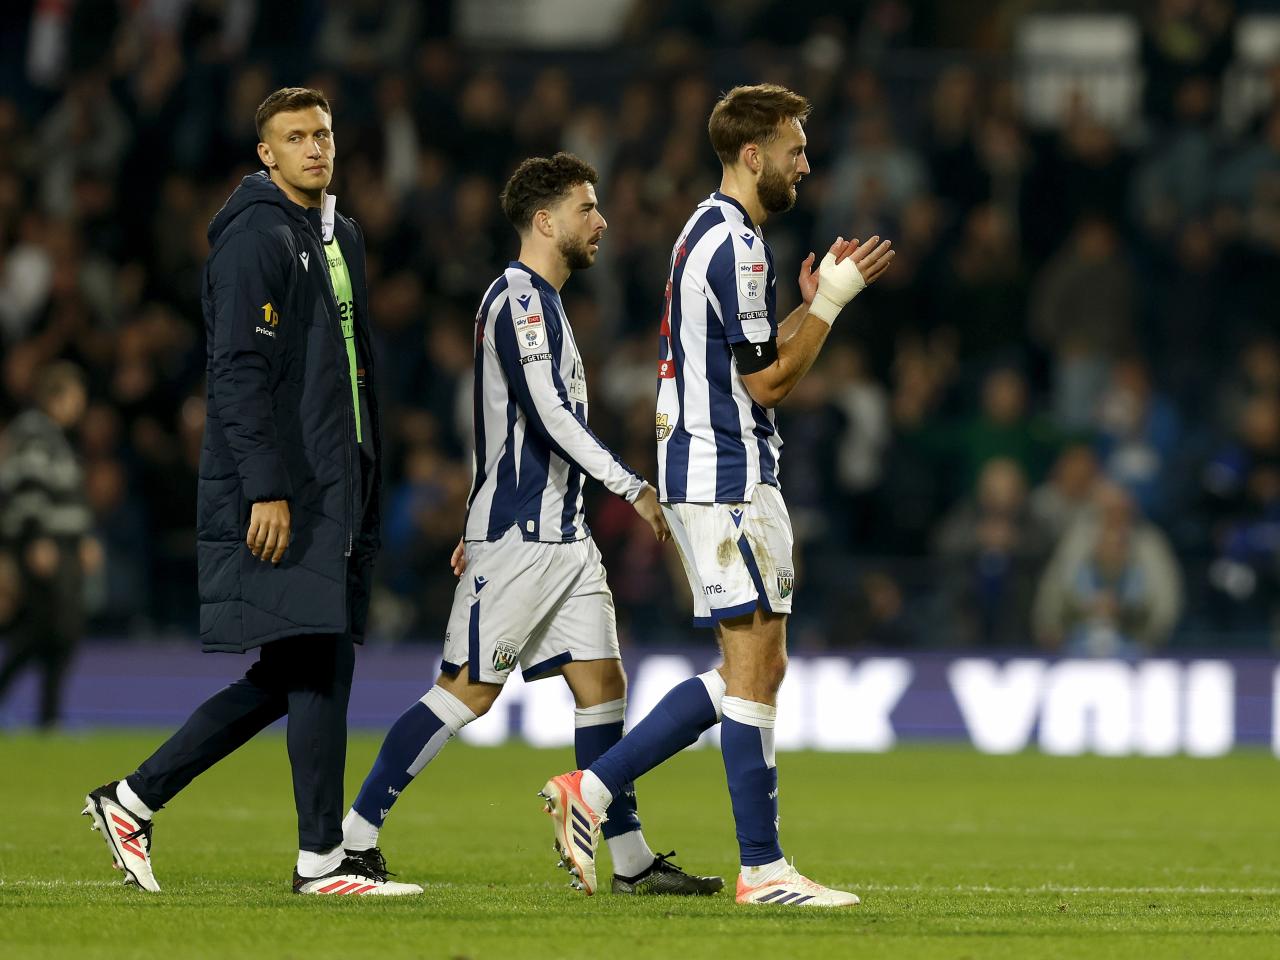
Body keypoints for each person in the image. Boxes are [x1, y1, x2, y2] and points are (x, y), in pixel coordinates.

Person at [539, 84, 894, 907]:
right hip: (725, 471)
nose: (806, 163)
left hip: (709, 467)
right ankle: (760, 868)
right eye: (795, 149)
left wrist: (805, 304)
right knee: (754, 666)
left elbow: (753, 359)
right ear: (752, 154)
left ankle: (593, 794)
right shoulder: (736, 245)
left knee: (751, 667)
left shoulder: (710, 229)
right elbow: (767, 382)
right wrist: (834, 303)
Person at [340, 152, 722, 898]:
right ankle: (354, 842)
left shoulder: (544, 303)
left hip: (562, 537)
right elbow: (546, 418)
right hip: (519, 540)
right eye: (588, 208)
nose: (602, 221)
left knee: (602, 683)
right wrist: (631, 486)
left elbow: (504, 426)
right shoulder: (517, 299)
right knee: (466, 692)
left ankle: (633, 861)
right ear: (545, 221)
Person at [81, 87, 419, 896]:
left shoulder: (336, 238)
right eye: (295, 137)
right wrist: (267, 489)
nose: (315, 147)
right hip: (290, 489)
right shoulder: (256, 239)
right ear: (265, 153)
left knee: (304, 666)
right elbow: (236, 376)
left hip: (337, 483)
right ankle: (316, 861)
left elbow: (348, 373)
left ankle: (135, 800)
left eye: (324, 134)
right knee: (314, 664)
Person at [0, 362, 96, 728]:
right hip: (46, 546)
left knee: (59, 631)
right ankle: (48, 716)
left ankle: (50, 717)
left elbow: (65, 495)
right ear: (57, 396)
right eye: (76, 397)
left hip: (62, 545)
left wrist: (83, 537)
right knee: (50, 630)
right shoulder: (36, 433)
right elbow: (27, 491)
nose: (80, 406)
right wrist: (37, 537)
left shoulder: (53, 436)